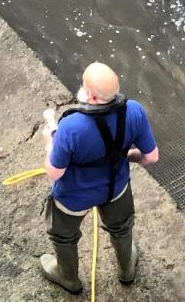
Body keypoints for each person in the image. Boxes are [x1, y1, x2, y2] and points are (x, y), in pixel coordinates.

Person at [40, 62, 159, 293]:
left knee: (64, 237)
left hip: (72, 197)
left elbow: (54, 173)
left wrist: (49, 145)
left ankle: (68, 278)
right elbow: (151, 157)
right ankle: (126, 269)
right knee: (122, 228)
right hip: (116, 189)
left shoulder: (70, 126)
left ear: (91, 97)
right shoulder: (134, 110)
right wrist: (128, 156)